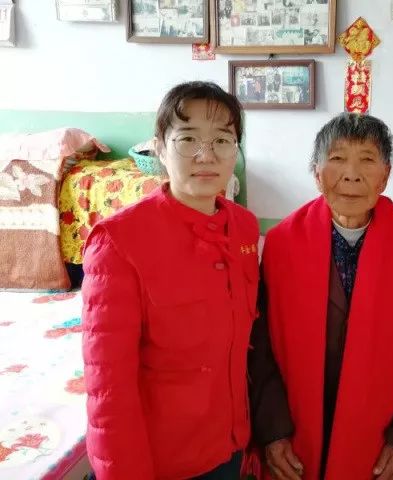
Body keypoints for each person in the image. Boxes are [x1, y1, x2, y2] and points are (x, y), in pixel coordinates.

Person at [249, 113, 393, 480]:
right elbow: (260, 348)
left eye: (367, 160)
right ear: (317, 173)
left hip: (381, 432)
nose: (352, 174)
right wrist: (274, 431)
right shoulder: (280, 245)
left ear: (385, 176)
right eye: (338, 158)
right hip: (296, 422)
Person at [81, 81, 259, 480]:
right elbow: (108, 387)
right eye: (188, 139)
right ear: (159, 147)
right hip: (161, 461)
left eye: (222, 140)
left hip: (229, 445)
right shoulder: (119, 242)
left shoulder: (243, 227)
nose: (206, 155)